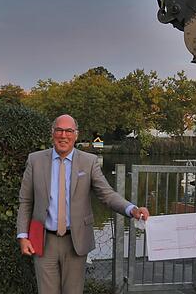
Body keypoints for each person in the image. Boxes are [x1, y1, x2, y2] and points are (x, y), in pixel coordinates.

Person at [16, 114, 150, 294]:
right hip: (44, 241)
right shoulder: (35, 160)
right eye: (59, 130)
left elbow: (106, 194)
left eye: (69, 131)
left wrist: (131, 209)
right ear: (52, 133)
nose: (64, 135)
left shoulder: (89, 161)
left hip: (76, 241)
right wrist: (23, 236)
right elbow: (26, 201)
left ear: (76, 135)